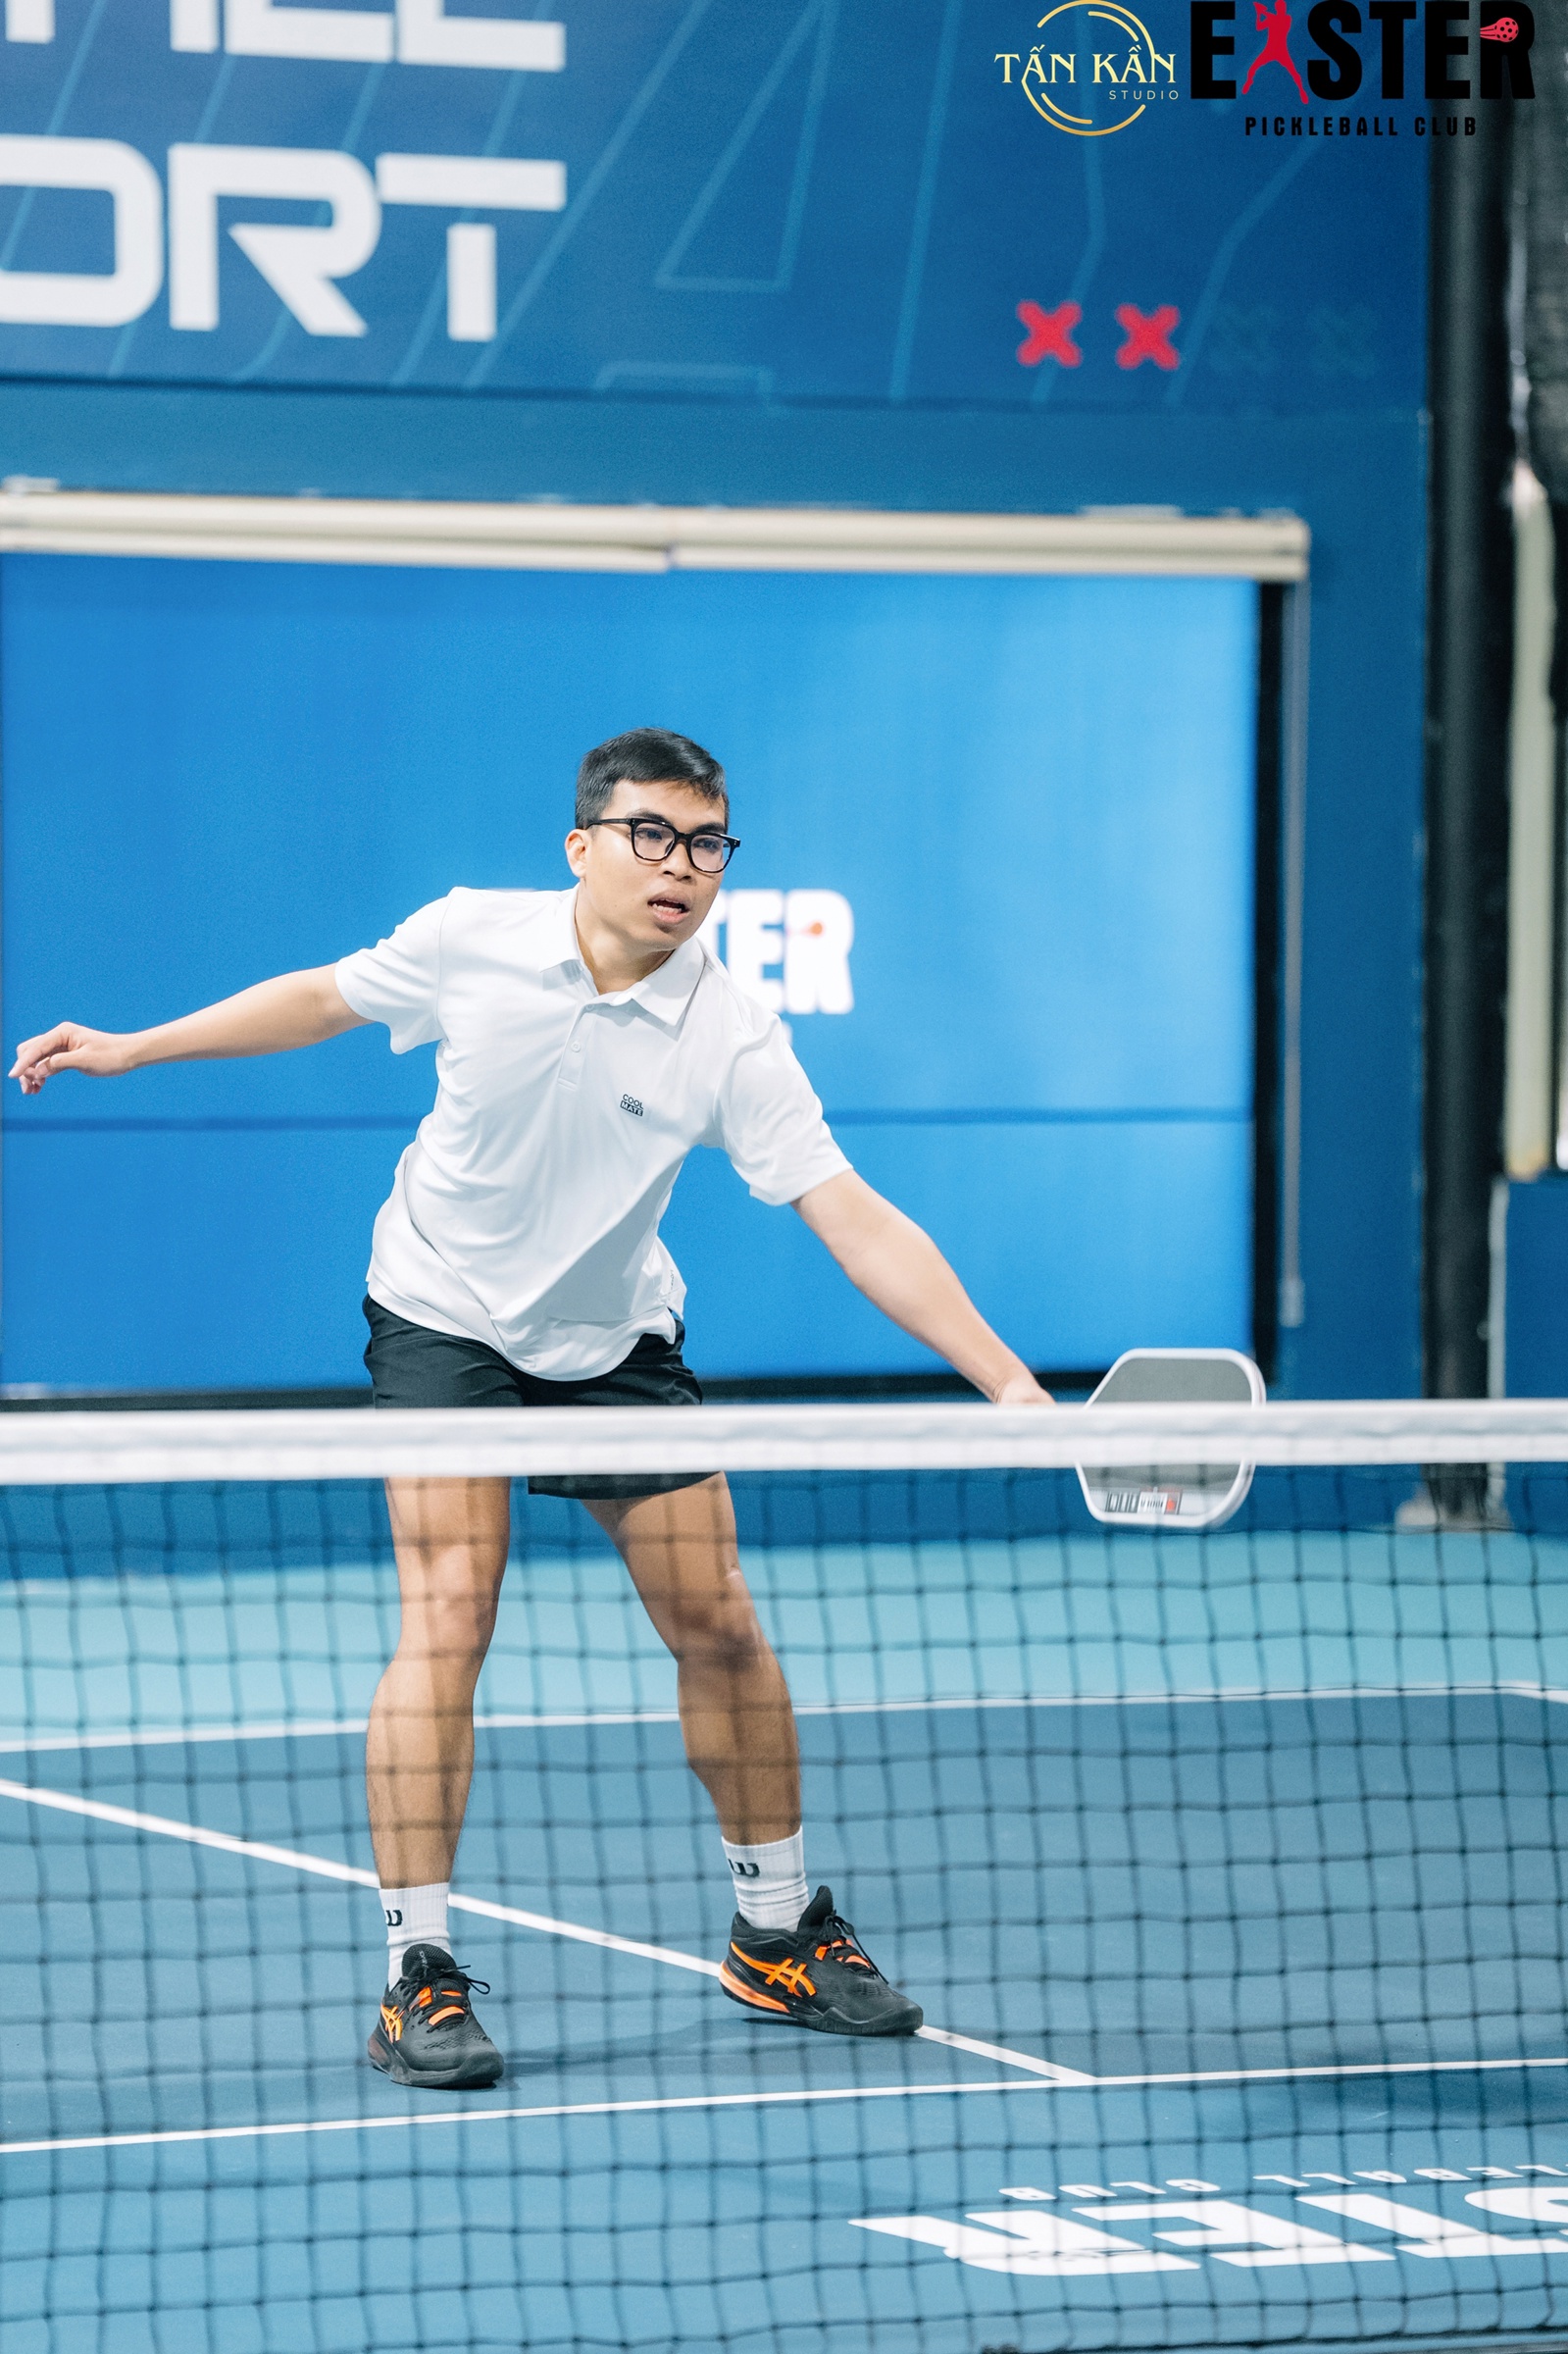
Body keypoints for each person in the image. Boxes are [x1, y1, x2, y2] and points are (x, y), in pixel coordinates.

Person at [12, 726, 1052, 2090]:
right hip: (442, 1311)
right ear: (583, 846)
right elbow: (322, 999)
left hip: (610, 1336)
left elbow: (848, 1214)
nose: (681, 868)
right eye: (652, 835)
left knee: (718, 1622)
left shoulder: (732, 1030)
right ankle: (418, 1973)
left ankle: (776, 1932)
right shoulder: (471, 938)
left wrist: (1013, 1384)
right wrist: (134, 1049)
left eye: (707, 845)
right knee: (452, 1609)